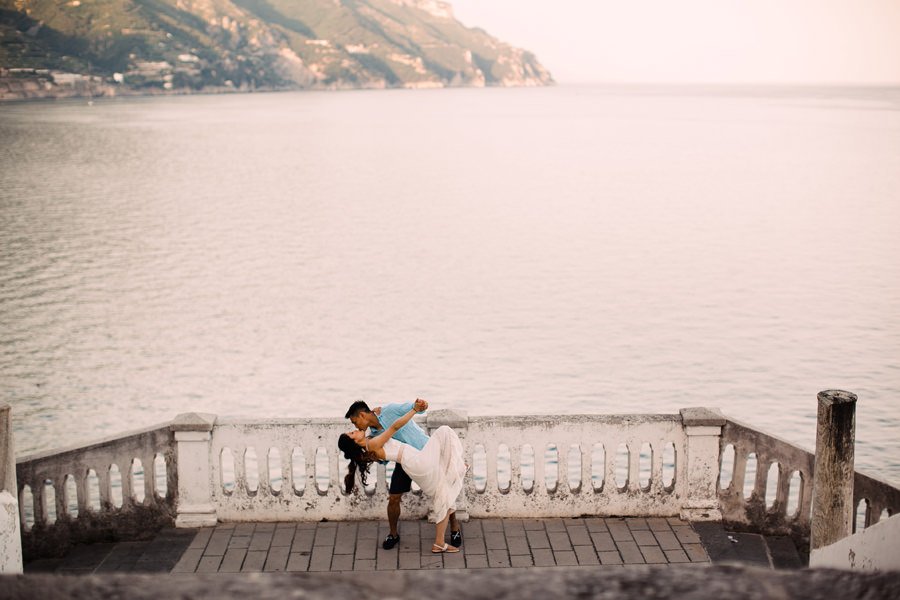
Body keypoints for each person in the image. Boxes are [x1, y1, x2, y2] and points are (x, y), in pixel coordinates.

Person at [340, 399, 466, 553]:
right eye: (353, 430)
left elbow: (415, 409)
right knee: (396, 497)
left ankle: (453, 529)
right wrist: (372, 456)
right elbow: (389, 442)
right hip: (410, 461)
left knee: (443, 488)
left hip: (423, 451)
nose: (355, 427)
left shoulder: (388, 411)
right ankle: (394, 535)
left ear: (362, 415)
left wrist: (417, 407)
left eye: (354, 423)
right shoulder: (372, 438)